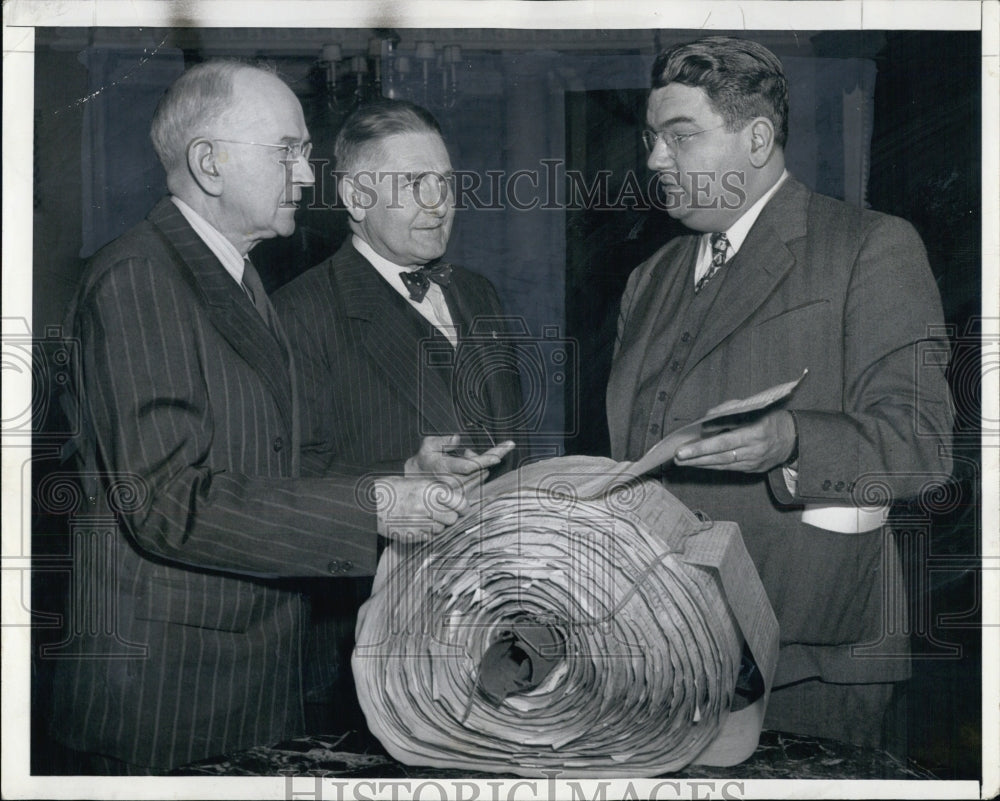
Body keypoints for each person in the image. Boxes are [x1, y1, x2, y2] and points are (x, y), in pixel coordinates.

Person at [49, 61, 501, 774]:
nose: (306, 176)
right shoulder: (140, 278)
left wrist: (404, 473)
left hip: (240, 682)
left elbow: (271, 467)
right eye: (287, 151)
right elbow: (165, 498)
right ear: (209, 163)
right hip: (169, 700)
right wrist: (379, 503)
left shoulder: (231, 272)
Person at [606, 36, 954, 748]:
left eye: (680, 136)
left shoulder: (871, 246)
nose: (653, 160)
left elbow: (924, 441)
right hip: (668, 655)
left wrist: (793, 438)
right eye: (651, 138)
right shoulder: (647, 280)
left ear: (757, 137)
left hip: (811, 660)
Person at [273, 98, 523, 732]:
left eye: (445, 182)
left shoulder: (477, 293)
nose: (438, 202)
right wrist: (405, 471)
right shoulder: (297, 313)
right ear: (356, 197)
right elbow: (285, 482)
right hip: (366, 639)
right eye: (414, 184)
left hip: (491, 624)